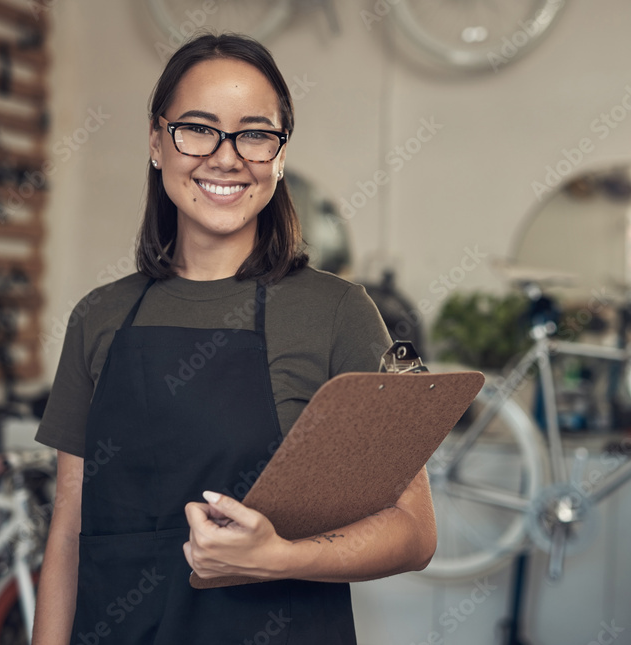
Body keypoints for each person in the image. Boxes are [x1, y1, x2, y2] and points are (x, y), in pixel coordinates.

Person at [32, 32, 437, 645]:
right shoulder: (99, 316)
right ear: (156, 140)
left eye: (254, 133)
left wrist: (281, 559)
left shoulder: (337, 313)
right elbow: (69, 529)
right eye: (198, 128)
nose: (226, 158)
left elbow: (413, 530)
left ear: (278, 154)